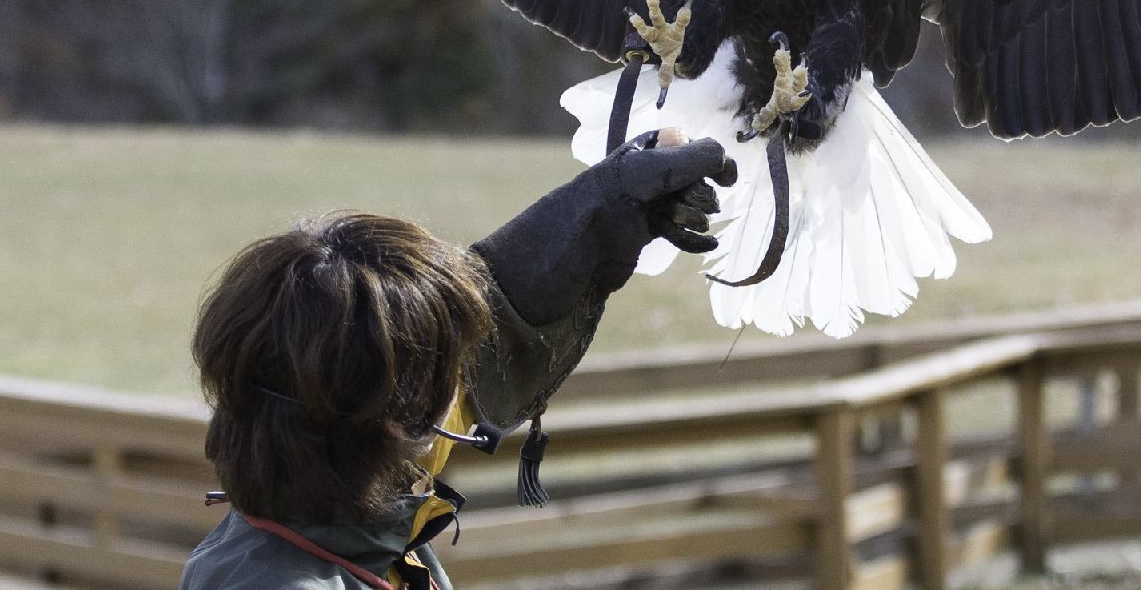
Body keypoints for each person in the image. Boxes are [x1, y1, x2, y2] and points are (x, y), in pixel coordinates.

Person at [183, 130, 734, 589]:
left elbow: (496, 311)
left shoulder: (324, 513)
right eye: (449, 376)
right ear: (407, 428)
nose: (465, 384)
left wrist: (603, 207)